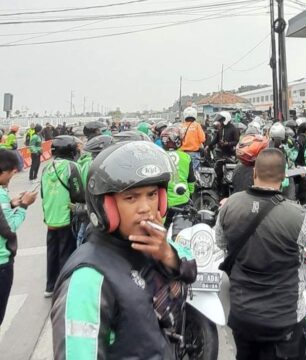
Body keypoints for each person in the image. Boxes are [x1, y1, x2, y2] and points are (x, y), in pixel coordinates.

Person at [51, 141, 196, 359]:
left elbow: (191, 271)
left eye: (151, 194)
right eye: (131, 197)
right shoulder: (88, 279)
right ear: (105, 206)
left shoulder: (155, 244)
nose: (146, 208)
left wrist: (167, 255)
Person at [215, 148, 306, 360]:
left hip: (243, 315)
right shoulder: (296, 214)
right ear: (284, 177)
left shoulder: (230, 205)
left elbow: (220, 242)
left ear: (254, 173)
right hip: (283, 320)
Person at [41, 136, 85, 297]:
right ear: (70, 151)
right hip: (68, 216)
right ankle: (64, 289)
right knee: (67, 253)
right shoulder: (72, 167)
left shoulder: (46, 168)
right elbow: (78, 193)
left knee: (52, 252)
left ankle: (50, 286)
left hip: (51, 218)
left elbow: (42, 194)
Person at [0, 150, 37, 325]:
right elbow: (9, 228)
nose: (11, 177)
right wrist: (23, 205)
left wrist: (10, 203)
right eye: (10, 173)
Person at [160, 126, 196, 226]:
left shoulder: (159, 156)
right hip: (182, 201)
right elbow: (191, 180)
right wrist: (190, 195)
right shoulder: (186, 157)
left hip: (163, 203)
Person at [210, 111, 240, 193]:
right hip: (221, 155)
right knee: (218, 172)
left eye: (221, 120)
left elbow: (237, 142)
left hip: (231, 156)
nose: (219, 122)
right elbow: (215, 140)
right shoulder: (220, 129)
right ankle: (219, 190)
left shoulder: (234, 129)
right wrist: (208, 146)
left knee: (231, 174)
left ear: (225, 119)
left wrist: (228, 143)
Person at [180, 107, 206, 172]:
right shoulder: (197, 125)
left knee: (185, 172)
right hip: (194, 153)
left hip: (183, 153)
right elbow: (202, 139)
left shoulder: (181, 126)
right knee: (194, 174)